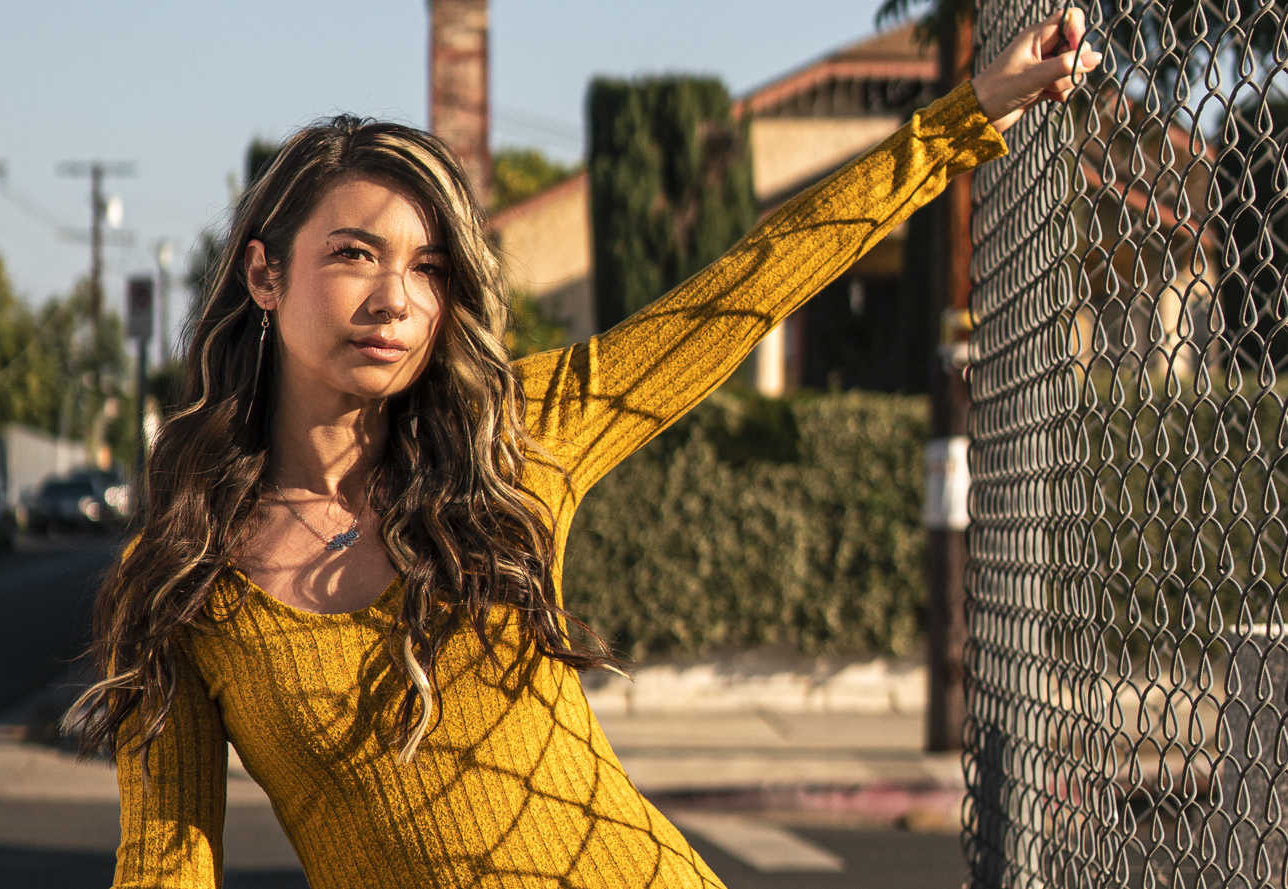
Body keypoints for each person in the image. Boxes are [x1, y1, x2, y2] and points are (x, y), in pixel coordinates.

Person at [68, 12, 1100, 888]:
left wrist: (964, 120)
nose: (393, 299)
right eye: (353, 255)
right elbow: (166, 861)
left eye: (428, 267)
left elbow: (742, 291)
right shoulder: (181, 578)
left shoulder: (512, 440)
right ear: (262, 276)